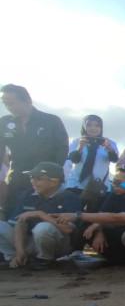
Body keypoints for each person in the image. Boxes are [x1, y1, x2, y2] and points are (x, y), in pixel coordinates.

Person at [0, 84, 69, 219]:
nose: (9, 107)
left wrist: (52, 175)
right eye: (5, 103)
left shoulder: (51, 121)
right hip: (17, 177)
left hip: (45, 179)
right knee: (11, 215)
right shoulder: (4, 122)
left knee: (39, 217)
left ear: (27, 101)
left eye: (12, 103)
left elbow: (62, 148)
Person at [0, 162, 81, 268]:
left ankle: (44, 259)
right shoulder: (28, 194)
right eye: (31, 177)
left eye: (38, 178)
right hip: (30, 242)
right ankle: (16, 258)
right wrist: (20, 251)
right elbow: (19, 223)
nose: (32, 181)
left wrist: (41, 215)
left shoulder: (69, 197)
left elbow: (68, 229)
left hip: (58, 247)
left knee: (43, 228)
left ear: (54, 182)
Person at [80, 166, 125, 264]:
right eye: (113, 182)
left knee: (120, 232)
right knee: (86, 225)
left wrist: (98, 226)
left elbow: (123, 221)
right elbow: (101, 215)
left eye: (118, 182)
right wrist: (99, 232)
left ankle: (121, 259)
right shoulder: (113, 195)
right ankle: (84, 252)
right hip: (109, 227)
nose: (114, 185)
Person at [65, 115, 119, 209]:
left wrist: (109, 148)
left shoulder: (109, 142)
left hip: (98, 186)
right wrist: (80, 147)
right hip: (76, 184)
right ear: (84, 127)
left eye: (97, 125)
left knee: (93, 214)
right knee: (72, 212)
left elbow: (114, 159)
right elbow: (73, 159)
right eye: (89, 125)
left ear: (101, 128)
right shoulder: (77, 141)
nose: (93, 128)